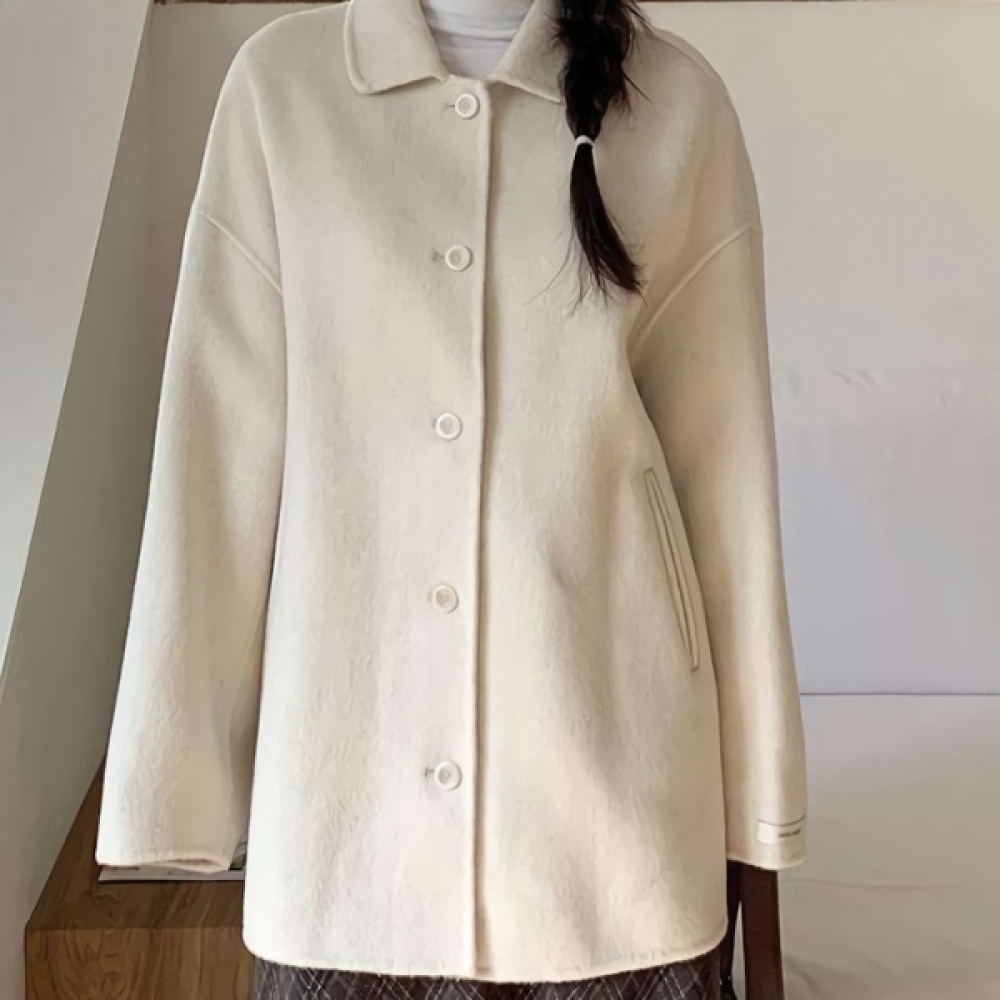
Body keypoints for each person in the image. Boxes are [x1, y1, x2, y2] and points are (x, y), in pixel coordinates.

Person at [95, 0, 808, 997]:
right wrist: (174, 785)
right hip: (349, 839)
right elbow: (214, 461)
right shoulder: (282, 90)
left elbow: (724, 474)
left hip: (613, 839)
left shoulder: (676, 101)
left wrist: (760, 800)